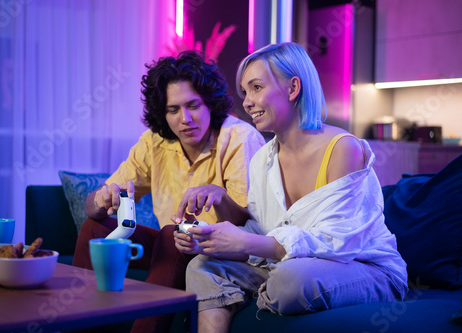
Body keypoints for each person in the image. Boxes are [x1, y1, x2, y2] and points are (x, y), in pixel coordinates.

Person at [174, 42, 409, 333]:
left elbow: (337, 243)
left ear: (293, 88)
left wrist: (246, 244)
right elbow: (262, 229)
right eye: (245, 92)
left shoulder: (342, 148)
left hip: (363, 268)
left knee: (290, 279)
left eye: (256, 88)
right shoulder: (263, 158)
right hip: (288, 266)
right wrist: (208, 237)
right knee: (202, 266)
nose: (246, 102)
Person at [71, 51, 265, 333]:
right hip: (173, 248)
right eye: (173, 110)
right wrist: (102, 200)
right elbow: (92, 205)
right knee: (94, 227)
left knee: (172, 234)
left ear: (210, 102)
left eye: (193, 105)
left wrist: (218, 196)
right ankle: (79, 326)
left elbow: (250, 226)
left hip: (222, 252)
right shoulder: (154, 143)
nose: (185, 118)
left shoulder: (239, 138)